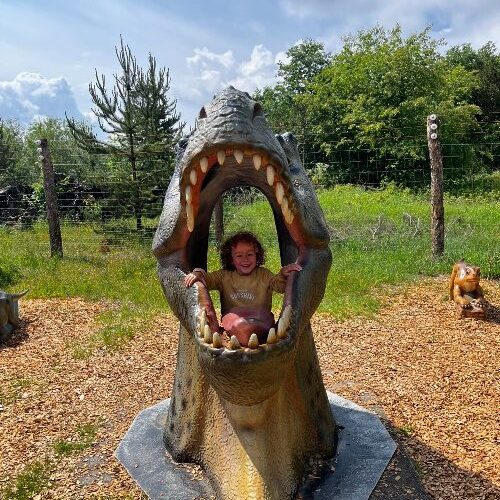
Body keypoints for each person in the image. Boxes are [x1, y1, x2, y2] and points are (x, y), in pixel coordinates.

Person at [184, 231, 301, 347]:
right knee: (240, 324)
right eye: (239, 256)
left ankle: (249, 335)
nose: (245, 259)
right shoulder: (224, 276)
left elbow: (280, 286)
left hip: (261, 320)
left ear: (257, 255)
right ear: (231, 259)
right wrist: (198, 272)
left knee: (248, 324)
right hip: (234, 321)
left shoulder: (264, 274)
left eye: (250, 254)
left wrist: (283, 274)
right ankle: (242, 335)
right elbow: (206, 280)